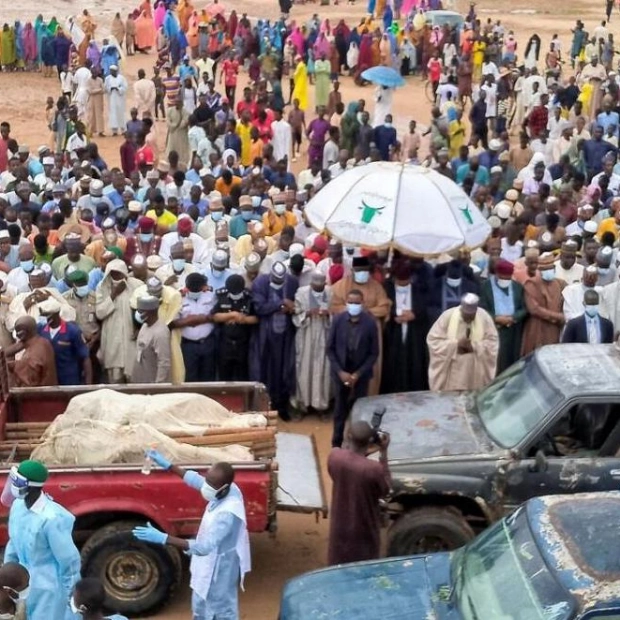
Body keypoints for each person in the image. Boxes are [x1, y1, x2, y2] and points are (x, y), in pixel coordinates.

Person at [133, 454, 250, 620]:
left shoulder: (227, 514)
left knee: (220, 610)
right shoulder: (227, 489)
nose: (206, 486)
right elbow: (196, 481)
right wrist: (169, 466)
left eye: (211, 484)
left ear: (223, 488)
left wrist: (164, 538)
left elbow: (203, 547)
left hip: (218, 569)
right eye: (207, 480)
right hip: (208, 563)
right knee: (200, 606)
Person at [4, 459, 81, 620]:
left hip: (49, 589)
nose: (13, 485)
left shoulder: (52, 519)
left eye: (17, 481)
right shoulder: (18, 506)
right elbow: (13, 543)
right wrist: (7, 578)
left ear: (30, 485)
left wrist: (72, 597)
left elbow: (69, 562)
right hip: (23, 584)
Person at [327, 421, 390, 566]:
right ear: (370, 441)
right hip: (364, 529)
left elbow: (349, 462)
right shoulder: (374, 470)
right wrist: (383, 452)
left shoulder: (335, 457)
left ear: (348, 438)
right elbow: (385, 489)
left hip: (340, 526)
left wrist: (363, 453)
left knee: (338, 566)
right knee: (363, 570)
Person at [327, 289, 379, 448]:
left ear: (363, 304)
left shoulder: (370, 323)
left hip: (360, 375)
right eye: (350, 302)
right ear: (346, 303)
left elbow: (373, 353)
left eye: (357, 302)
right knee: (339, 410)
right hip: (340, 373)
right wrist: (340, 372)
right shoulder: (338, 320)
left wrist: (358, 374)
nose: (353, 305)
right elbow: (330, 349)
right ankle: (336, 443)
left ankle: (357, 443)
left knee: (359, 410)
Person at [251, 262, 298, 420]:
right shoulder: (260, 283)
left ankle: (282, 406)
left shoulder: (292, 282)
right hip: (266, 336)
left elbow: (295, 305)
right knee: (265, 370)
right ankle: (264, 407)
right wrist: (280, 304)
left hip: (285, 335)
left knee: (284, 371)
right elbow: (260, 308)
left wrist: (291, 308)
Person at [426, 293, 499, 392]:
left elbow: (493, 342)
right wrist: (456, 345)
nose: (468, 318)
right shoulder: (448, 316)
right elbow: (433, 340)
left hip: (475, 374)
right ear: (461, 309)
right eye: (466, 315)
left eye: (471, 316)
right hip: (453, 375)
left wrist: (474, 346)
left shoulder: (484, 317)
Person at [381, 260, 432, 393]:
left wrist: (414, 314)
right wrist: (395, 314)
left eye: (406, 283)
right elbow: (383, 305)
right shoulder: (386, 287)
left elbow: (426, 308)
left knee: (413, 362)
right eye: (400, 283)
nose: (402, 285)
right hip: (393, 332)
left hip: (413, 332)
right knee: (393, 362)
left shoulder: (419, 288)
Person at [95, 259, 142, 383]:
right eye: (113, 273)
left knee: (134, 377)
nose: (116, 276)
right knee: (115, 379)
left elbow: (144, 310)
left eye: (119, 273)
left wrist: (139, 328)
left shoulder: (137, 285)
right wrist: (114, 294)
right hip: (112, 338)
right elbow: (100, 313)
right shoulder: (102, 287)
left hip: (131, 337)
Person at [293, 271, 332, 414]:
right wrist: (308, 313)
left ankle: (321, 405)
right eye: (315, 286)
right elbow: (296, 313)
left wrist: (327, 314)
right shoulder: (301, 293)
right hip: (306, 335)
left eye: (320, 287)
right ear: (310, 284)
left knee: (322, 369)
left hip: (324, 333)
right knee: (304, 369)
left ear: (325, 284)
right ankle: (303, 405)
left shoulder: (330, 293)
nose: (318, 289)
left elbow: (334, 313)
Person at [479, 259, 527, 373]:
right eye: (502, 278)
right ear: (497, 274)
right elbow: (482, 308)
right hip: (493, 329)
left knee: (511, 361)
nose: (505, 281)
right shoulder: (485, 287)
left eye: (507, 279)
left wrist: (513, 318)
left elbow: (524, 308)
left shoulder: (517, 287)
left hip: (513, 330)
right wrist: (496, 318)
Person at [170, 273, 216, 382]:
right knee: (190, 378)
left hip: (208, 343)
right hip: (188, 346)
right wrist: (190, 321)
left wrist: (202, 318)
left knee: (208, 377)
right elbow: (171, 323)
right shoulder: (178, 297)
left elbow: (215, 315)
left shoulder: (210, 295)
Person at [212, 274, 258, 381]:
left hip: (243, 343)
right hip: (225, 343)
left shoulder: (249, 297)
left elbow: (257, 318)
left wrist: (243, 319)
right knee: (224, 376)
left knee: (243, 376)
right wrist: (232, 315)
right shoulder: (221, 296)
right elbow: (215, 317)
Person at [37, 297, 92, 385]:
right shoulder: (40, 329)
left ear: (55, 314)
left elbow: (85, 358)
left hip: (69, 380)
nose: (43, 318)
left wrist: (88, 384)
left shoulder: (73, 331)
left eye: (46, 315)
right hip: (49, 380)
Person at [521, 252, 566, 355]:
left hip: (554, 328)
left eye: (550, 269)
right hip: (538, 326)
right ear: (539, 271)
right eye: (545, 269)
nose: (548, 272)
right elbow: (534, 309)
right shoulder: (531, 283)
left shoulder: (559, 283)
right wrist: (558, 316)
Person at [5, 316, 57, 387]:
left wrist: (10, 367)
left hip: (39, 395)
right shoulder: (43, 342)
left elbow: (27, 384)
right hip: (50, 389)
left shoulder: (30, 357)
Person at [132, 294, 171, 383]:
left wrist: (158, 386)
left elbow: (164, 363)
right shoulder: (144, 326)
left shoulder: (161, 333)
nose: (137, 313)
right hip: (140, 381)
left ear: (149, 312)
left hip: (152, 386)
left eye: (140, 311)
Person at [104, 65, 128, 136]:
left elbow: (125, 87)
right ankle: (114, 130)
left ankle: (123, 129)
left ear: (116, 71)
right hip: (112, 98)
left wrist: (119, 89)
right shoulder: (107, 78)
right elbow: (105, 88)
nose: (111, 72)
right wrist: (110, 89)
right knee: (113, 113)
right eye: (111, 71)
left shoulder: (121, 78)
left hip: (120, 98)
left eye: (113, 71)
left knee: (121, 113)